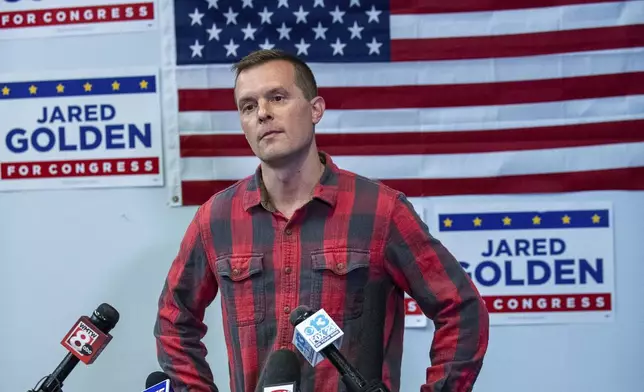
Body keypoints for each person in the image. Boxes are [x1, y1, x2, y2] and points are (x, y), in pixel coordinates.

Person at [154, 49, 489, 392]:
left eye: (278, 97)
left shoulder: (381, 211)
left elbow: (461, 309)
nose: (263, 114)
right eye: (248, 106)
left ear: (316, 110)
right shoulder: (216, 219)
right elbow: (173, 320)